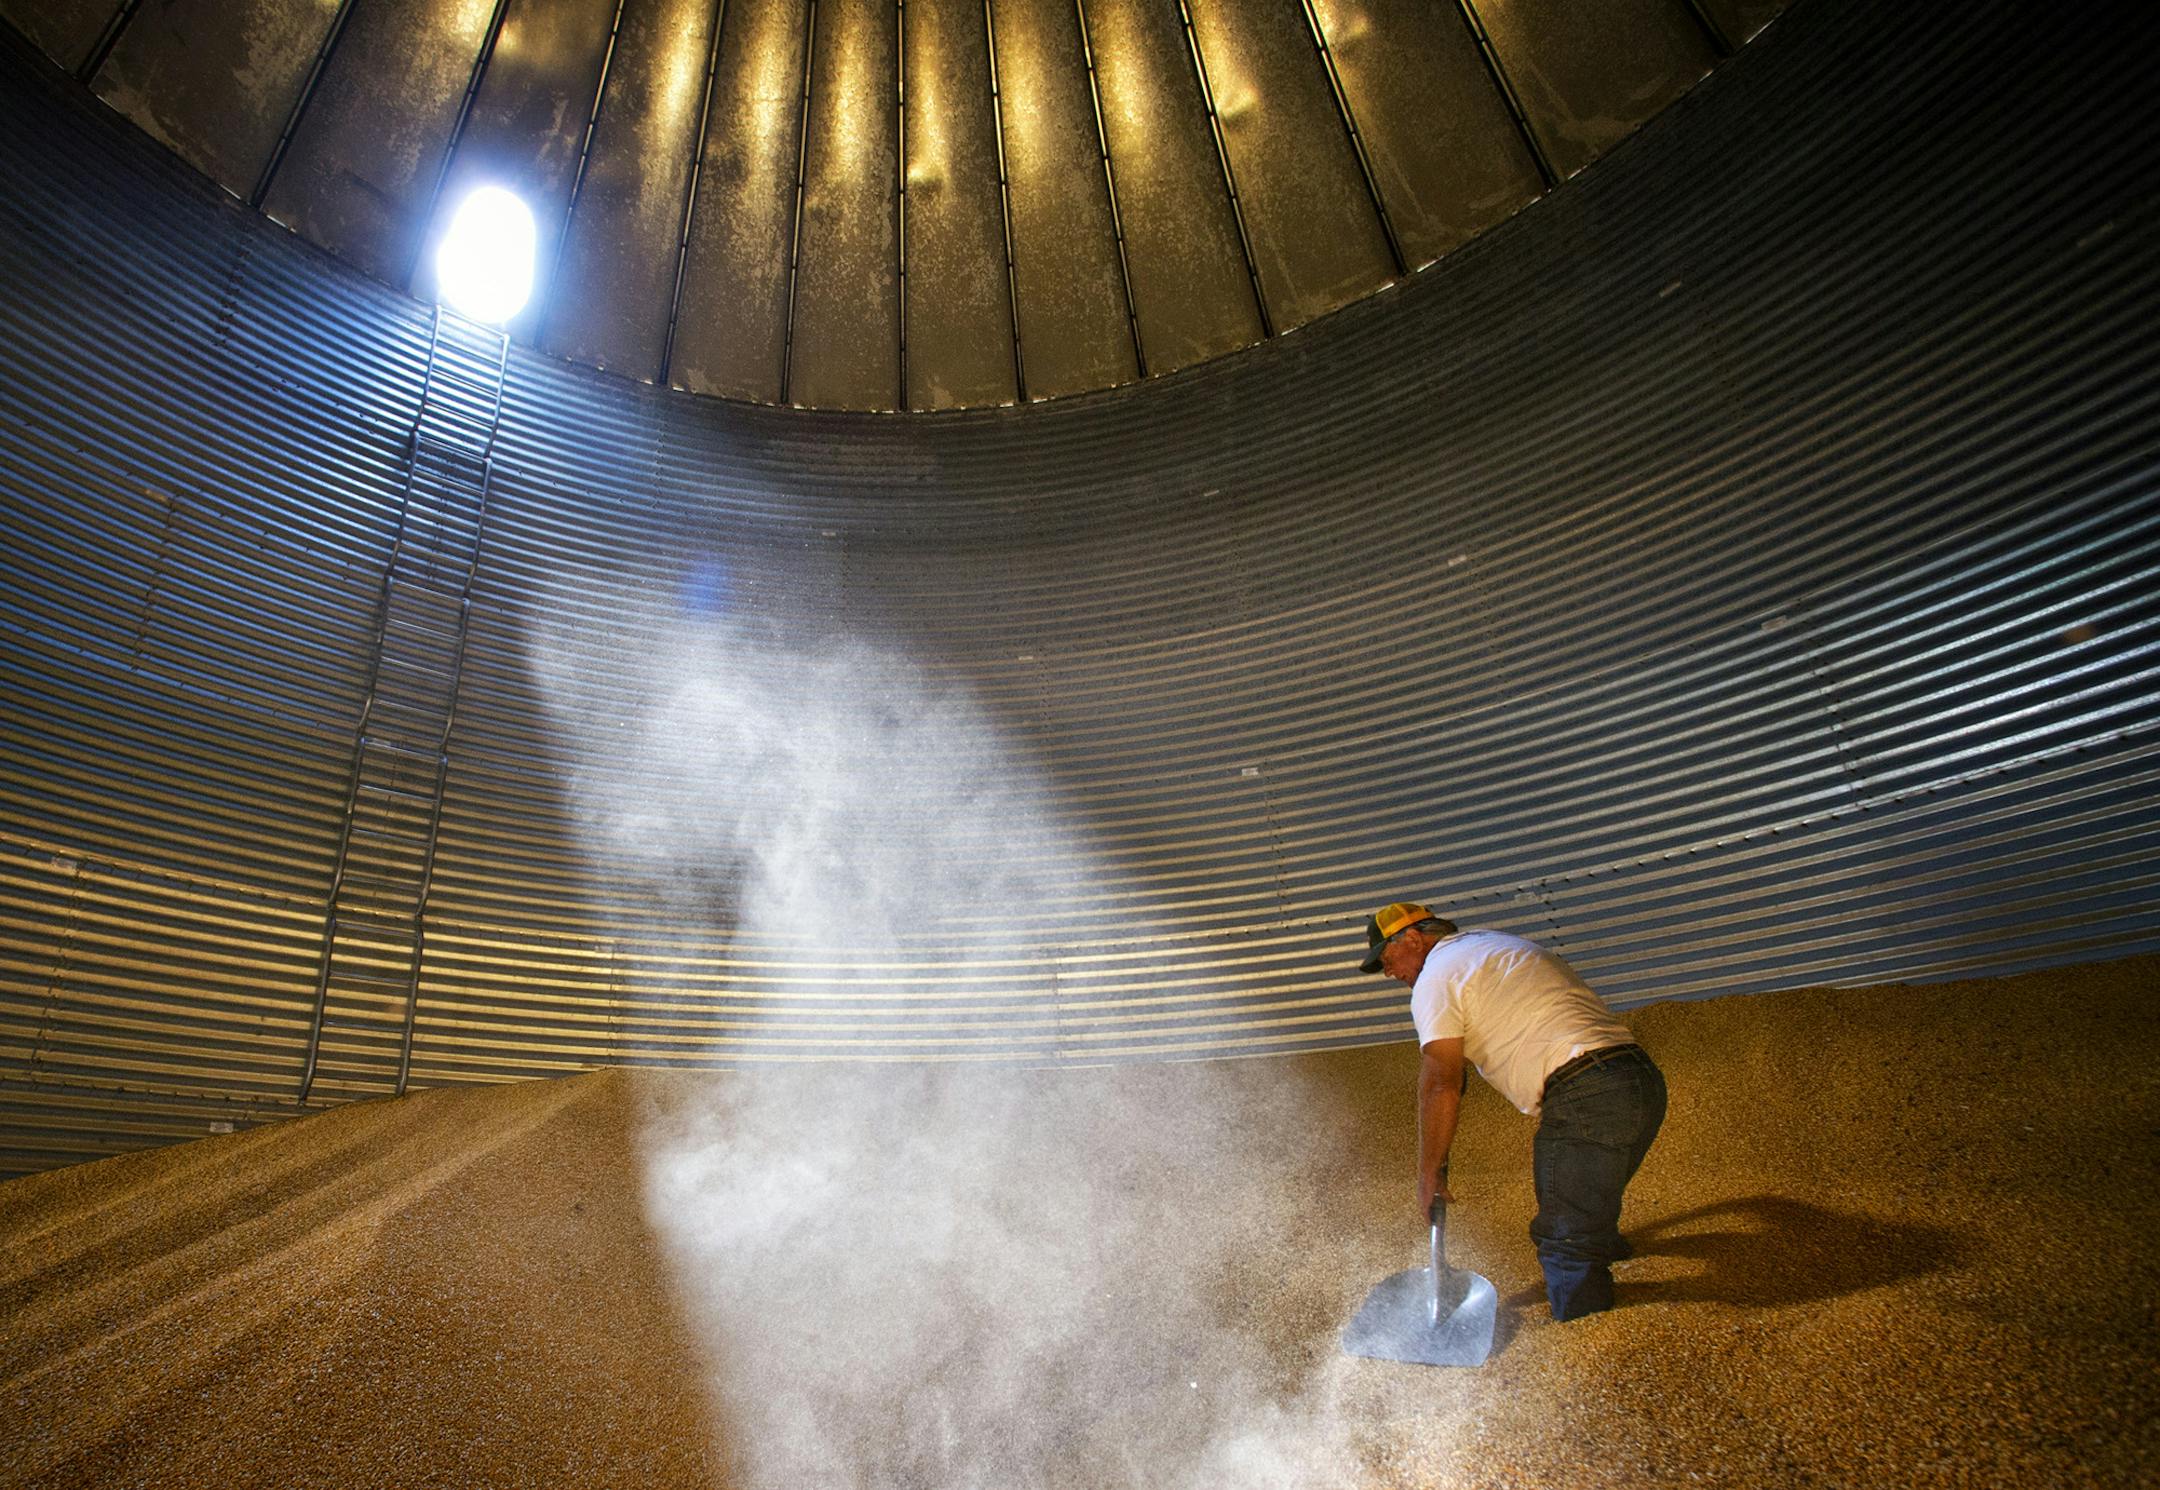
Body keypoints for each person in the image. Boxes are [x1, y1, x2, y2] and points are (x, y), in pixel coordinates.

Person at [1360, 901, 1666, 1320]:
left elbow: (1441, 1082)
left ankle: (1593, 1337)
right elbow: (1459, 1073)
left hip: (1585, 1096)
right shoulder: (1492, 945)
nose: (1389, 973)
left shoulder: (1435, 977)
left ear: (1412, 938)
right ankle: (1607, 1252)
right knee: (1588, 1198)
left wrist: (1428, 1171)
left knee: (1563, 1238)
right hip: (1639, 1081)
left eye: (1386, 959)